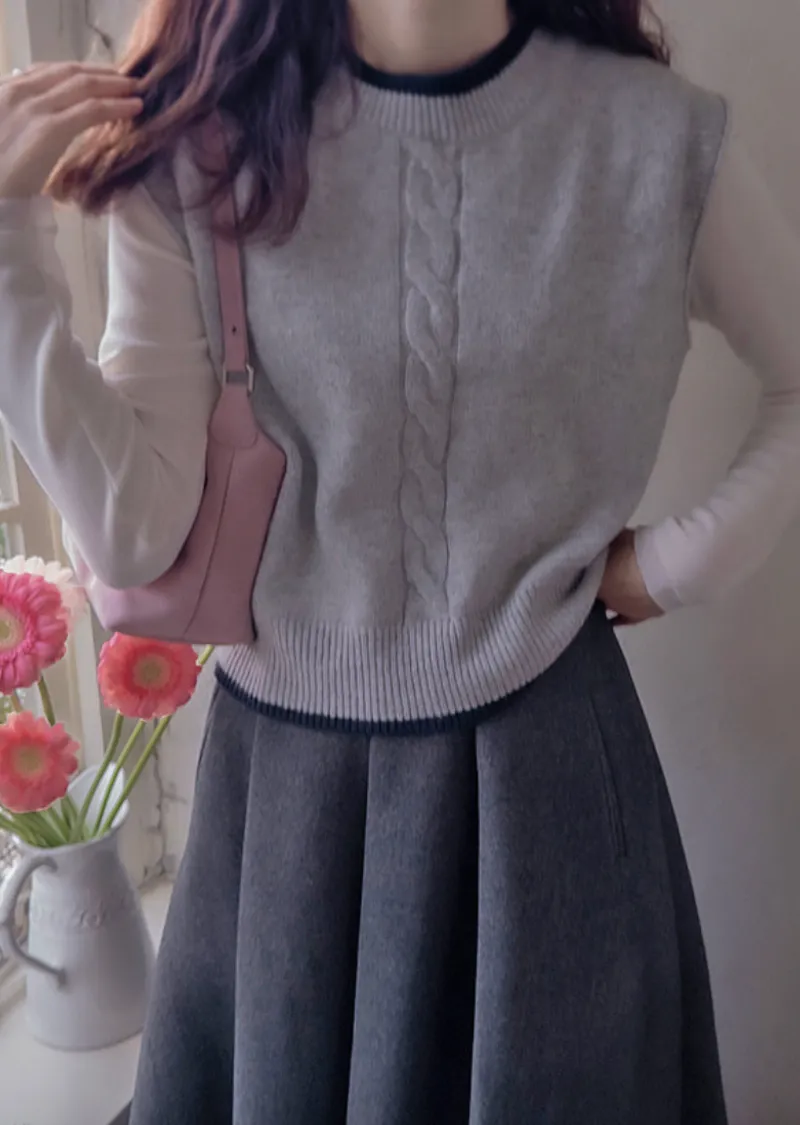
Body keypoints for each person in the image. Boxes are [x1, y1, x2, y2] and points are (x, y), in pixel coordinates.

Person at [0, 0, 797, 1120]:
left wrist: (671, 567)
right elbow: (137, 535)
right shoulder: (199, 139)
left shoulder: (658, 137)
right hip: (286, 815)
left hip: (546, 790)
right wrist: (6, 261)